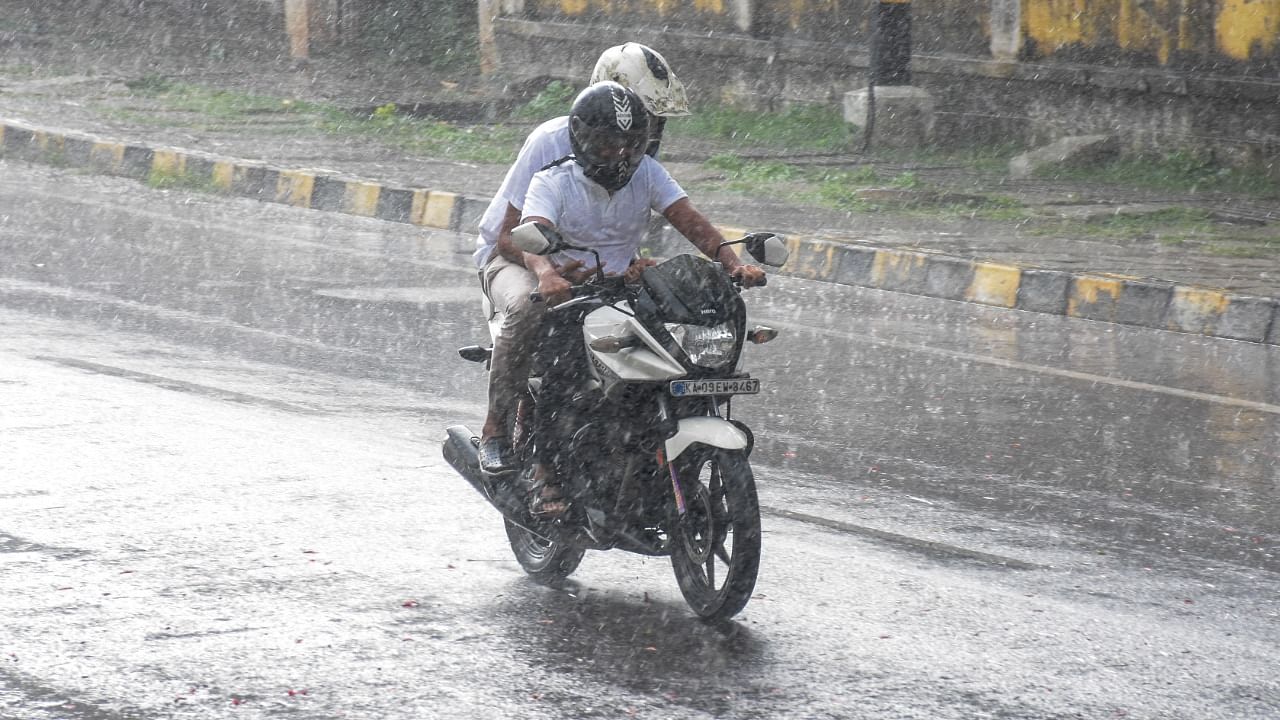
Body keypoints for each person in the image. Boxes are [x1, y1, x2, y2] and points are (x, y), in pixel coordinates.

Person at [512, 82, 767, 516]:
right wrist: (547, 274)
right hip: (575, 294)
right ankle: (544, 470)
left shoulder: (646, 172)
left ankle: (649, 448)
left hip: (629, 291)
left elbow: (688, 219)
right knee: (563, 365)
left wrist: (731, 263)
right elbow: (531, 234)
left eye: (631, 143)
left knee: (674, 358)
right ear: (582, 138)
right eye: (609, 142)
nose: (621, 154)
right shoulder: (552, 180)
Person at [474, 43, 691, 475]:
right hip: (518, 259)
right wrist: (549, 270)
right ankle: (495, 429)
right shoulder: (551, 141)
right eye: (648, 115)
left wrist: (636, 264)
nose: (652, 130)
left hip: (589, 268)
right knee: (527, 308)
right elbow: (507, 237)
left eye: (655, 120)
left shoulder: (635, 152)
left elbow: (620, 224)